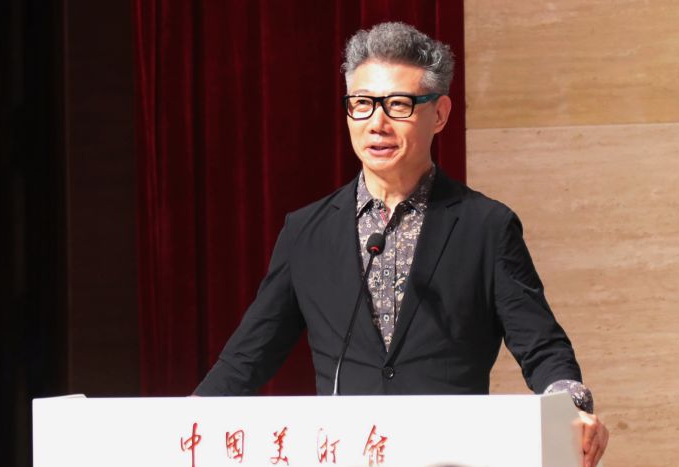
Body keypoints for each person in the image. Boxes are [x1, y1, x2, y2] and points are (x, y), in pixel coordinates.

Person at [195, 22, 608, 466]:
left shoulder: (486, 227)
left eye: (398, 105)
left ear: (440, 114)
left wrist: (572, 410)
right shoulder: (306, 232)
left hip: (451, 457)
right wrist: (182, 426)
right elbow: (247, 359)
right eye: (362, 104)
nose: (377, 123)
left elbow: (542, 347)